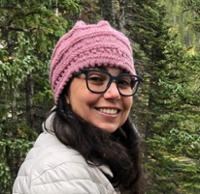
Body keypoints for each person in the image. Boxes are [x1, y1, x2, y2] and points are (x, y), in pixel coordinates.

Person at [13, 20, 143, 194]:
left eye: (123, 82)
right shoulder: (59, 173)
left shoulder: (103, 154)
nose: (114, 93)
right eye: (96, 79)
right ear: (65, 92)